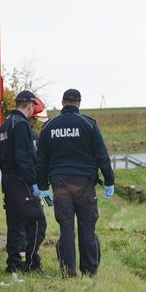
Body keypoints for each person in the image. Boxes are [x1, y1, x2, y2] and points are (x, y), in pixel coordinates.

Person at [36, 88, 114, 278]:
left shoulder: (49, 126)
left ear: (63, 103)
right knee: (87, 227)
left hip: (60, 184)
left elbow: (41, 159)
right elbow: (102, 155)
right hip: (84, 185)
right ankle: (89, 271)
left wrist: (42, 186)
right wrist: (109, 181)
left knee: (66, 228)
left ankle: (67, 272)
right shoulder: (88, 125)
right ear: (79, 103)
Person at [0, 90, 50, 273]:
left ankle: (13, 263)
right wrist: (33, 182)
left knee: (15, 222)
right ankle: (31, 263)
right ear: (29, 107)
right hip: (20, 181)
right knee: (37, 221)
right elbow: (23, 156)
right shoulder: (21, 125)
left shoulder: (5, 124)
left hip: (8, 180)